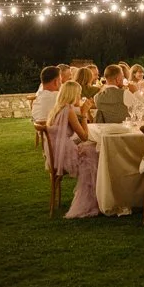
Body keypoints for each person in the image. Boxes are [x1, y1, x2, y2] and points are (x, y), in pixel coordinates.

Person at [44, 81, 100, 219]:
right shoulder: (68, 111)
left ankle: (96, 197)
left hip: (55, 154)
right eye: (79, 94)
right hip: (64, 157)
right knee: (94, 154)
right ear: (73, 95)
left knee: (91, 150)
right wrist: (84, 113)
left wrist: (81, 112)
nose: (80, 97)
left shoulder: (57, 108)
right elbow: (84, 136)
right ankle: (89, 201)